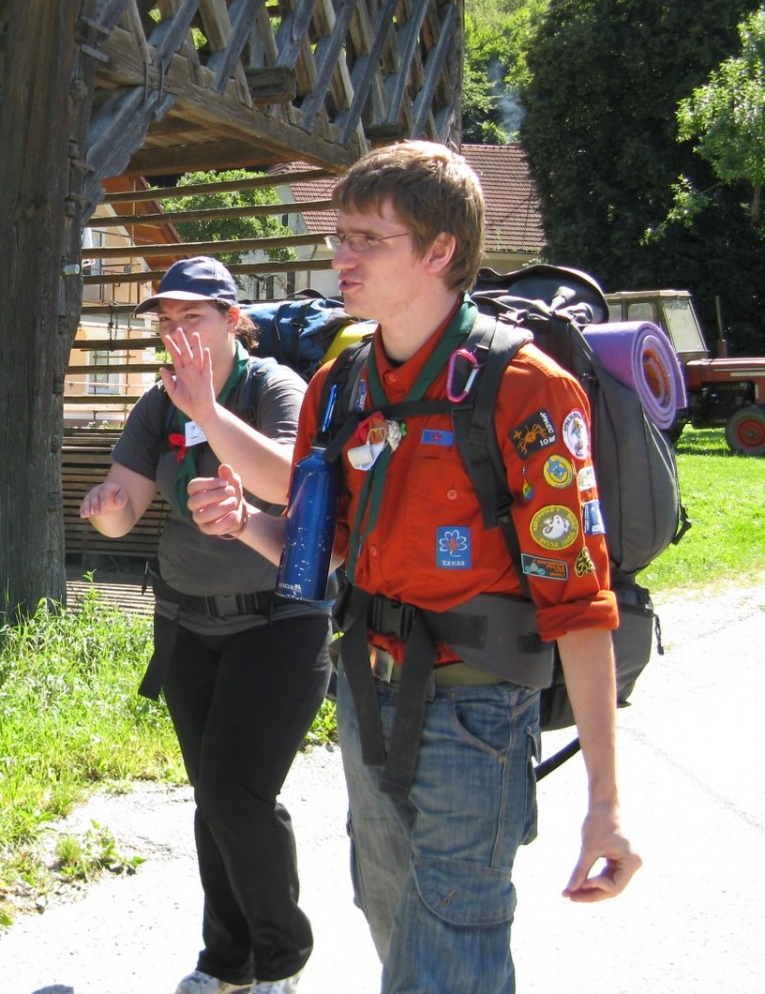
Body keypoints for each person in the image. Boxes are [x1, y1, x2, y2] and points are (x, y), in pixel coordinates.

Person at [187, 142, 642, 994]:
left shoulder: (525, 386)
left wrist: (606, 804)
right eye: (340, 236)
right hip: (366, 695)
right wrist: (248, 523)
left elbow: (580, 603)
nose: (342, 258)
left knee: (451, 953)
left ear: (440, 253)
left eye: (369, 239)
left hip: (478, 713)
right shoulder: (342, 379)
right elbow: (327, 545)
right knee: (388, 911)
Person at [80, 257, 332, 994]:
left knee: (236, 794)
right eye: (166, 321)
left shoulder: (275, 388)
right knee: (211, 801)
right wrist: (107, 505)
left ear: (232, 320)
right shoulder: (158, 405)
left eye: (193, 317)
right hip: (188, 624)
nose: (176, 333)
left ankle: (281, 960)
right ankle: (229, 962)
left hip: (278, 621)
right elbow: (125, 509)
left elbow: (288, 481)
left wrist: (209, 415)